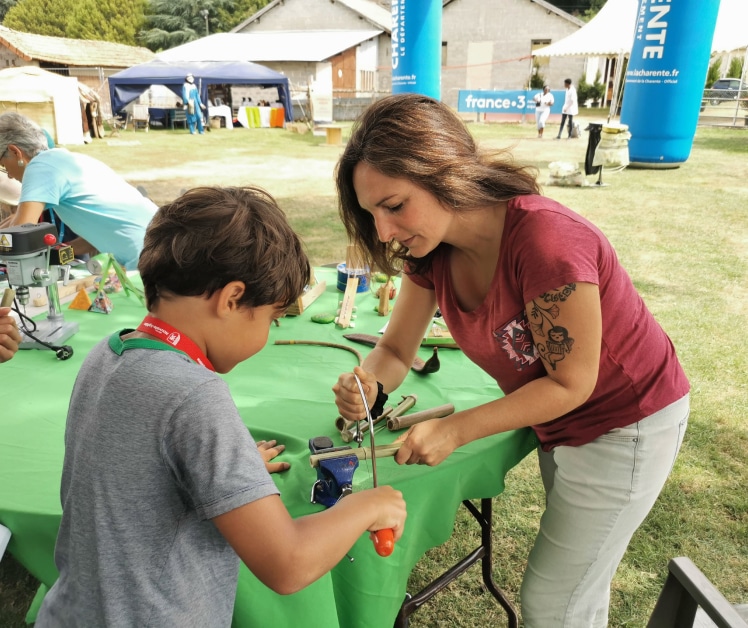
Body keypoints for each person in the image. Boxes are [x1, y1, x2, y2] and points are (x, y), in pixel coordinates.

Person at [332, 94, 689, 628]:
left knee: (556, 602)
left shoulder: (546, 241)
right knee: (577, 592)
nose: (383, 231)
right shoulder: (431, 251)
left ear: (445, 171)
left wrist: (454, 431)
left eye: (395, 205)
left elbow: (570, 384)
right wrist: (370, 387)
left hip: (626, 421)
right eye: (371, 213)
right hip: (561, 423)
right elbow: (396, 350)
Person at [35, 186, 407, 627]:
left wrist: (231, 472)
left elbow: (136, 471)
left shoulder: (106, 353)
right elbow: (287, 562)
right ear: (232, 299)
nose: (267, 333)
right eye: (271, 318)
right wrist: (366, 506)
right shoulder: (195, 396)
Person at [0, 112, 157, 270]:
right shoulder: (66, 159)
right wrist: (59, 253)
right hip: (160, 239)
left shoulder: (39, 167)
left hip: (147, 253)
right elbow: (98, 233)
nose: (9, 175)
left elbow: (18, 234)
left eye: (3, 165)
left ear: (15, 152)